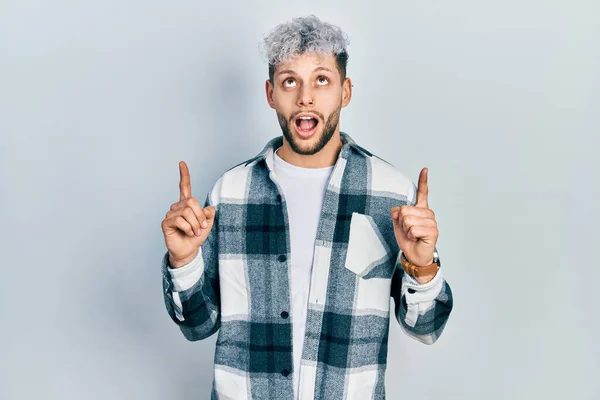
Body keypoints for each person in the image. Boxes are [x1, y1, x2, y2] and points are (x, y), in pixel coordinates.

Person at [160, 14, 453, 400]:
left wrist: (422, 267)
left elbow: (426, 327)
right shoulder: (231, 192)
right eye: (289, 81)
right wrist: (182, 262)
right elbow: (197, 324)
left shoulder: (391, 193)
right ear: (270, 94)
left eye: (321, 79)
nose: (305, 97)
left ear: (345, 92)